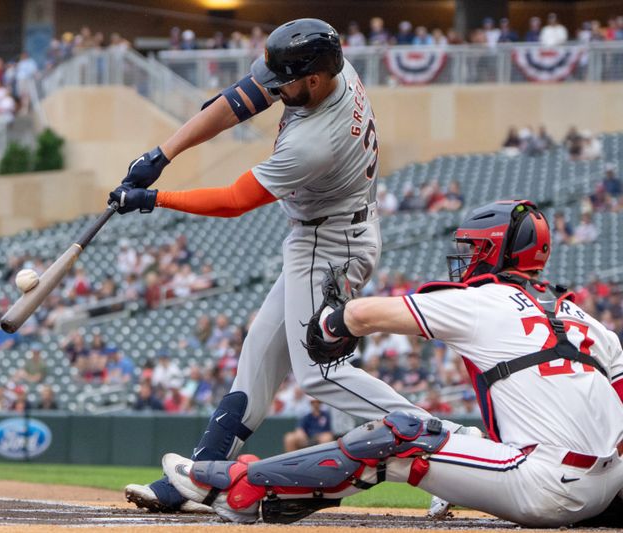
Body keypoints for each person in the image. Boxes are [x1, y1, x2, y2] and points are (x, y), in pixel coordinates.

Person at [114, 18, 468, 514]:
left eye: (286, 83)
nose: (276, 89)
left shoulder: (315, 141)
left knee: (320, 372)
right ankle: (199, 476)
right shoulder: (323, 73)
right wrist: (163, 152)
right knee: (257, 357)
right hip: (330, 231)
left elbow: (235, 200)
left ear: (315, 80)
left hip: (330, 240)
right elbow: (239, 100)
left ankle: (450, 444)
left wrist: (155, 196)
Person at [163, 200, 623, 528]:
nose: (463, 259)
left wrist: (330, 322)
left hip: (547, 488)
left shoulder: (483, 301)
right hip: (606, 487)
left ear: (491, 252)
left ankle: (242, 488)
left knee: (403, 435)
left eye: (471, 248)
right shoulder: (585, 320)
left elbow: (364, 314)